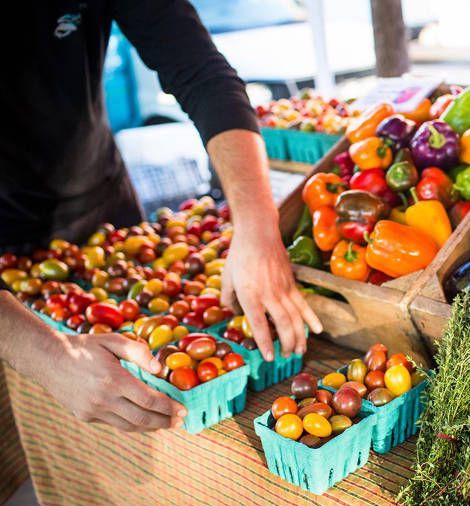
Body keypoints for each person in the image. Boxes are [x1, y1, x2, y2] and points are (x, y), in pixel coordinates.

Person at [0, 0, 322, 438]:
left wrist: (257, 226)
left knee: (127, 405)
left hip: (101, 198)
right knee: (42, 432)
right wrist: (50, 358)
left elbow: (199, 70)